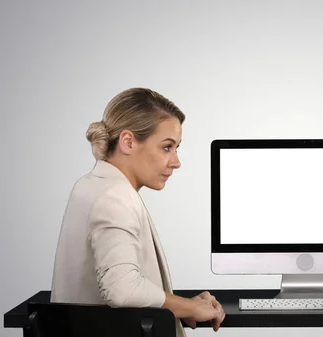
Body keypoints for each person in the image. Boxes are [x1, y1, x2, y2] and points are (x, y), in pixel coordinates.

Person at [50, 88, 225, 337]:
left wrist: (182, 305)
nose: (176, 161)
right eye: (167, 147)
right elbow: (123, 289)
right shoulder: (114, 197)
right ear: (128, 142)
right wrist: (191, 308)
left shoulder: (90, 185)